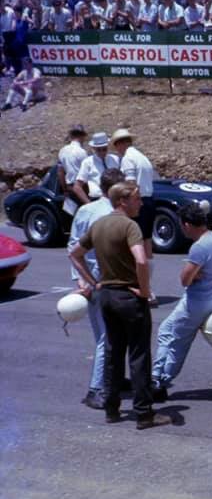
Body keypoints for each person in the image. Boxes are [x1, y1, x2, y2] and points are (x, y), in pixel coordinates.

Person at [69, 182, 169, 430]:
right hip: (129, 297)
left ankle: (112, 409)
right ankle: (144, 414)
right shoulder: (130, 226)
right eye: (137, 198)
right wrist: (144, 290)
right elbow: (141, 260)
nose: (141, 203)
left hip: (107, 296)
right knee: (139, 355)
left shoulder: (99, 225)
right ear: (123, 201)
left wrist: (93, 283)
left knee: (113, 354)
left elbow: (75, 254)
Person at [151, 203, 212, 401]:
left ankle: (159, 382)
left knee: (176, 342)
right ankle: (157, 376)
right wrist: (198, 274)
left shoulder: (199, 247)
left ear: (187, 225)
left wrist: (195, 274)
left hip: (196, 303)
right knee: (167, 332)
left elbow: (184, 279)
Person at [67, 167, 125, 410]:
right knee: (107, 337)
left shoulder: (86, 211)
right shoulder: (112, 214)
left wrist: (79, 279)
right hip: (104, 282)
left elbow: (73, 246)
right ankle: (96, 389)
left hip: (95, 280)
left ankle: (114, 378)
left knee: (113, 335)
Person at [112, 129, 157, 303]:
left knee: (135, 243)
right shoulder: (142, 157)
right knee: (147, 243)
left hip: (137, 202)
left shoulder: (128, 159)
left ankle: (142, 286)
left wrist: (126, 203)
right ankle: (148, 286)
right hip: (149, 200)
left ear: (120, 144)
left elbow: (130, 185)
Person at [74, 132, 120, 201]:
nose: (102, 152)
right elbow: (77, 186)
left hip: (114, 198)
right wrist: (88, 203)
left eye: (104, 149)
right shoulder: (87, 162)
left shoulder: (115, 159)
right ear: (94, 149)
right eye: (98, 150)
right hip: (97, 198)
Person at [58, 124, 89, 209]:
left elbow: (60, 173)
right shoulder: (82, 152)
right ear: (82, 136)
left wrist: (64, 190)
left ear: (71, 136)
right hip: (82, 188)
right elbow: (87, 172)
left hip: (69, 187)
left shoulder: (62, 151)